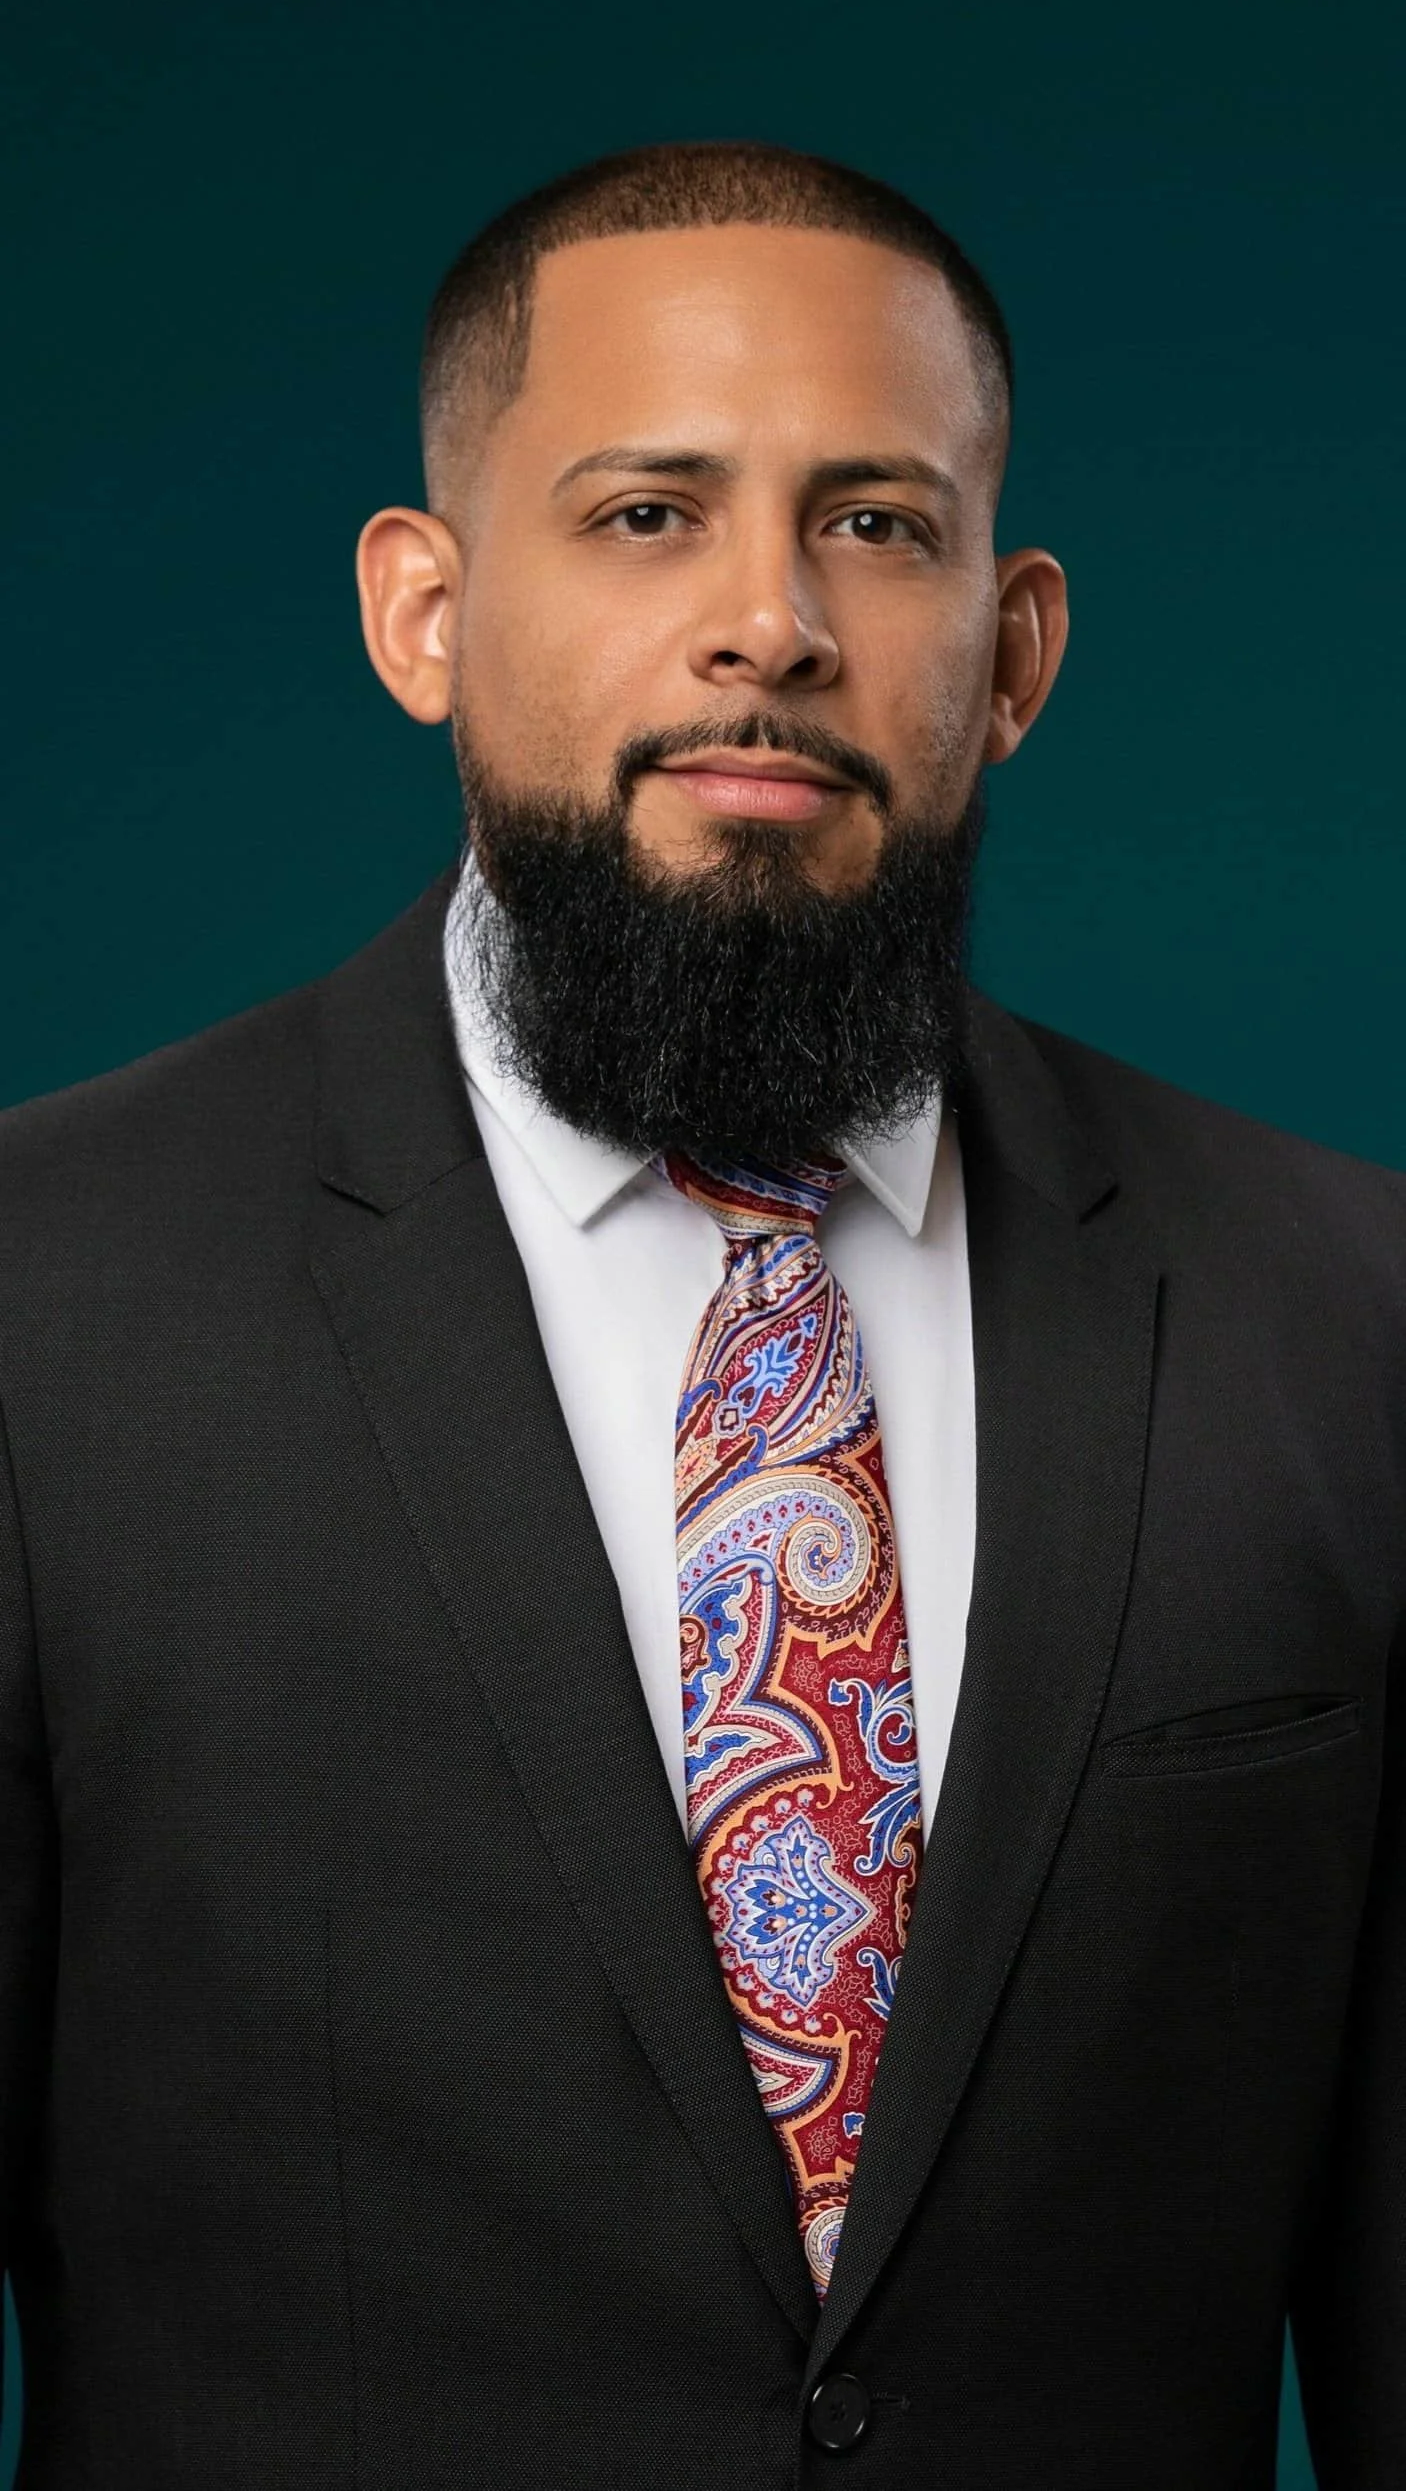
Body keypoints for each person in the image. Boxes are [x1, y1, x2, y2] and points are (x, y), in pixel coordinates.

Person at [0, 138, 1401, 2491]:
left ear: (1015, 644)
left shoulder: (1349, 1321)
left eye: (876, 520)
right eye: (648, 513)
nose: (772, 618)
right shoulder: (40, 1303)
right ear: (423, 608)